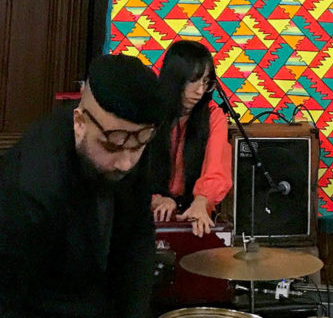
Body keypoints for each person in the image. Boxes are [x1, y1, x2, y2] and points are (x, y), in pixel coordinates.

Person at [0, 52, 162, 318]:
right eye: (111, 146)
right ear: (80, 122)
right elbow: (7, 294)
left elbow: (138, 240)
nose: (126, 163)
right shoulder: (32, 180)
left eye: (138, 147)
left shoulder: (130, 146)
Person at [150, 39, 232, 237]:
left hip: (194, 212)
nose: (200, 91)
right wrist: (155, 200)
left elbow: (217, 169)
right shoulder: (149, 112)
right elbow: (131, 173)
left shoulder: (213, 116)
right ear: (175, 78)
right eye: (193, 81)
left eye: (205, 82)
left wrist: (202, 201)